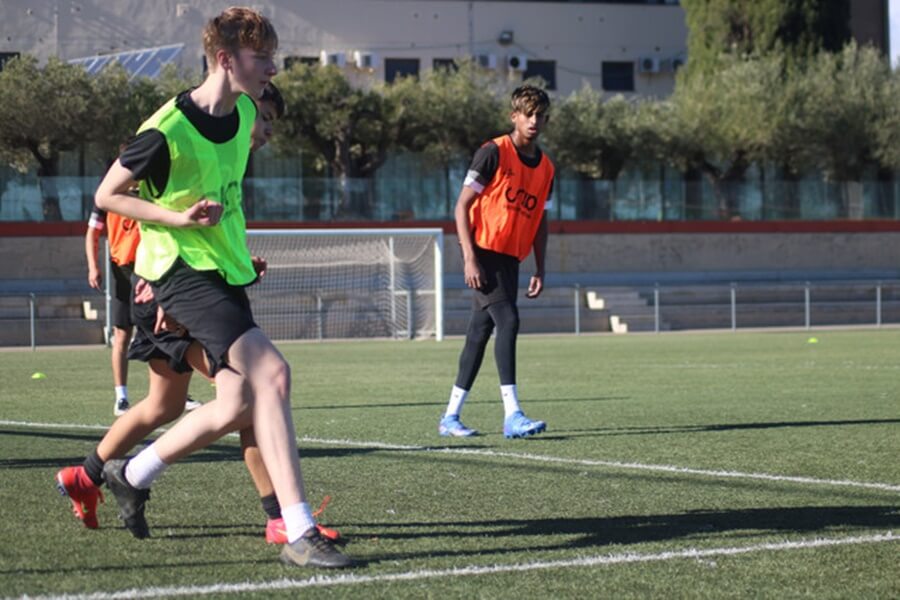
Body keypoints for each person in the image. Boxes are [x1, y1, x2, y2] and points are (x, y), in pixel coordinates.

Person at [90, 7, 350, 568]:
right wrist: (177, 219)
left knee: (237, 401)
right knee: (273, 374)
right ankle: (297, 529)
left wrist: (236, 254)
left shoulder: (247, 113)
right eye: (264, 59)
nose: (273, 68)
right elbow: (107, 195)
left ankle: (132, 475)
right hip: (178, 272)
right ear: (226, 60)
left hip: (224, 272)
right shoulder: (167, 129)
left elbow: (226, 192)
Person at [56, 84, 326, 546]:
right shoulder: (173, 139)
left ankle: (90, 475)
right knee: (248, 394)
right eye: (265, 116)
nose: (264, 130)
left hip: (180, 289)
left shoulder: (228, 152)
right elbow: (156, 219)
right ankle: (279, 516)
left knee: (165, 405)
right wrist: (166, 292)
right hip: (169, 293)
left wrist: (240, 265)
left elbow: (205, 227)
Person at [438, 85, 554, 440]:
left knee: (480, 332)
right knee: (508, 319)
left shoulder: (547, 167)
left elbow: (541, 221)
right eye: (527, 114)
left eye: (539, 115)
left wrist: (540, 267)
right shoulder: (493, 152)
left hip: (509, 260)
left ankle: (450, 417)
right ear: (514, 116)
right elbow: (461, 206)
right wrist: (469, 258)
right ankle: (512, 414)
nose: (533, 121)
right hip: (483, 252)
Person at [85, 192, 139, 415]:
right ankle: (121, 397)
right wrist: (93, 266)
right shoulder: (106, 195)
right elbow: (92, 233)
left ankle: (177, 392)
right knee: (122, 335)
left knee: (162, 333)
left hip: (150, 267)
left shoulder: (150, 188)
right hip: (121, 270)